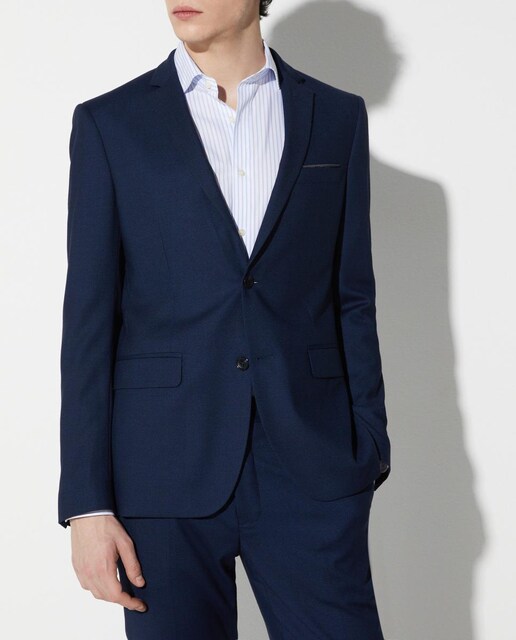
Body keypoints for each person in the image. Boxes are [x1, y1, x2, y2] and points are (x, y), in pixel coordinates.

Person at [58, 0, 391, 637]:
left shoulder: (335, 116)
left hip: (311, 465)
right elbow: (89, 323)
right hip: (161, 471)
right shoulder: (110, 123)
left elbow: (352, 294)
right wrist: (87, 503)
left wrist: (368, 445)